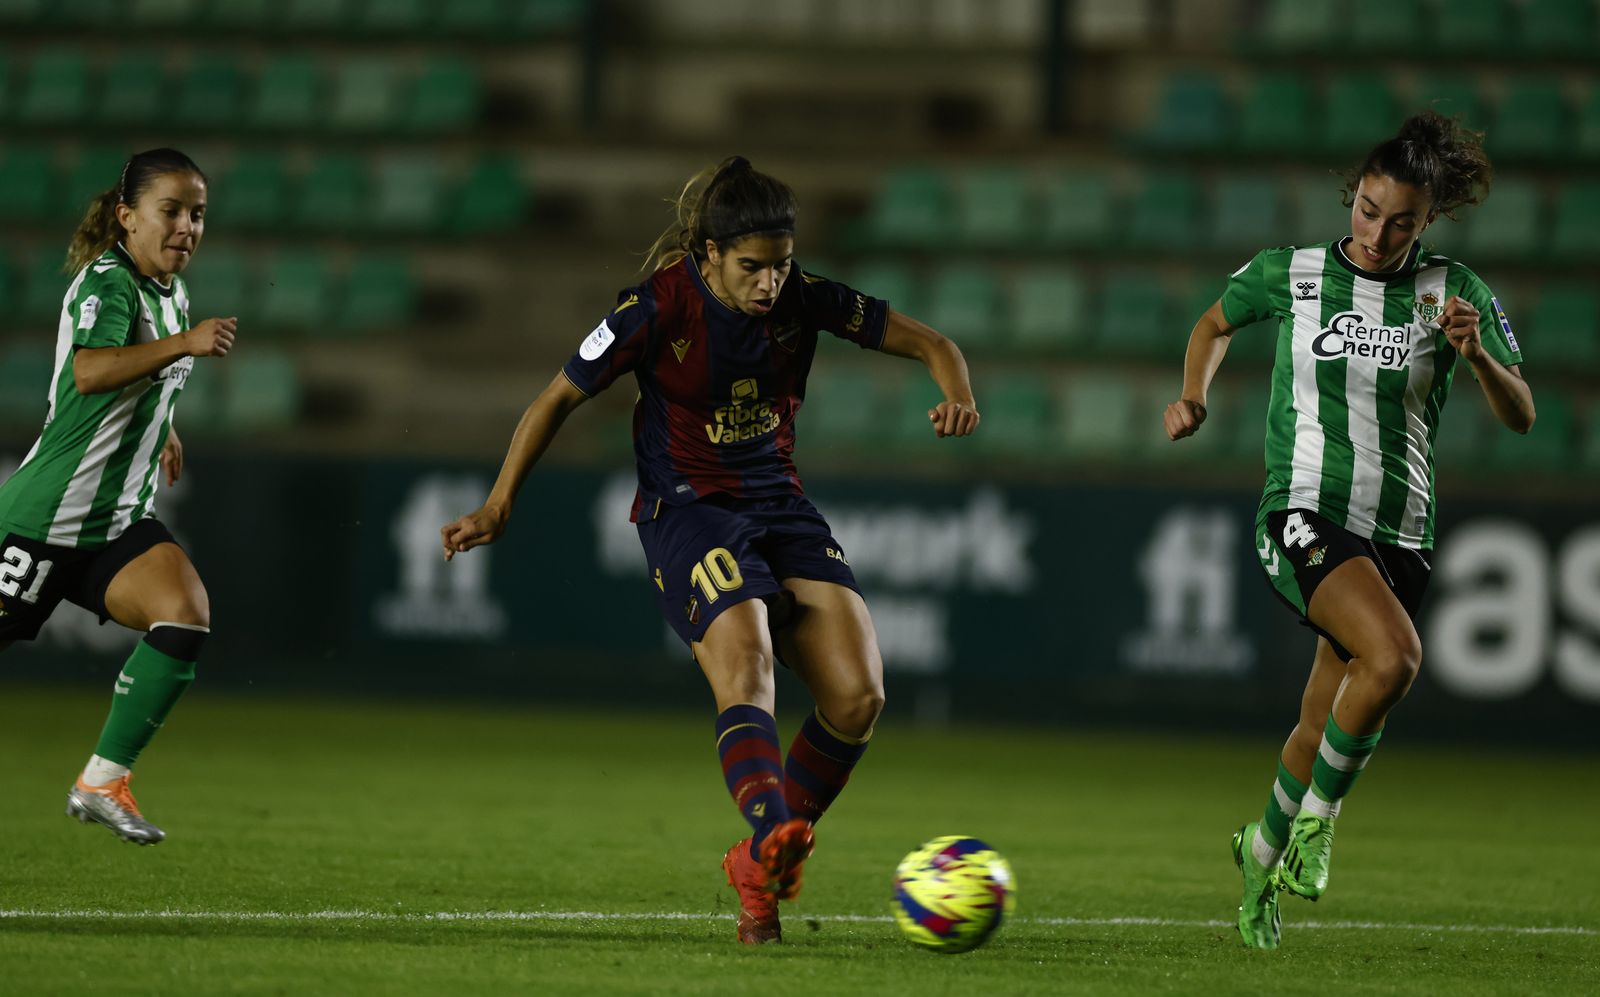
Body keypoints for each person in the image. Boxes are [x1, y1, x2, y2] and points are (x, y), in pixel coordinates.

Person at [441, 156, 980, 943]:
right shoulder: (653, 307)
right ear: (709, 256)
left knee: (859, 696)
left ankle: (755, 864)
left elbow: (934, 342)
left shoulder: (804, 300)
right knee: (749, 660)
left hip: (779, 506)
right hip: (687, 511)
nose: (770, 284)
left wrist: (957, 393)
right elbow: (556, 395)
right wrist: (499, 502)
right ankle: (770, 833)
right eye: (752, 267)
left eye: (781, 266)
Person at [1163, 112, 1535, 950]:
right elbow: (1212, 324)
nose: (1377, 233)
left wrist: (1480, 360)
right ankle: (1318, 825)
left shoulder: (1455, 290)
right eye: (1368, 210)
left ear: (1428, 220)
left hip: (1401, 529)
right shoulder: (1291, 274)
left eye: (1401, 220)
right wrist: (1196, 393)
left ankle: (1259, 855)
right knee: (1396, 657)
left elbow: (1523, 415)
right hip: (1302, 506)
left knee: (1323, 711)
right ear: (1353, 195)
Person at [0, 148, 238, 845]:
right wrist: (184, 347)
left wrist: (164, 430)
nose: (187, 226)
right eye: (171, 211)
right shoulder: (108, 282)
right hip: (44, 524)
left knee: (185, 614)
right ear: (127, 216)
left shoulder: (172, 295)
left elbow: (140, 384)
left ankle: (102, 778)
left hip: (113, 525)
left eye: (197, 214)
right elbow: (90, 370)